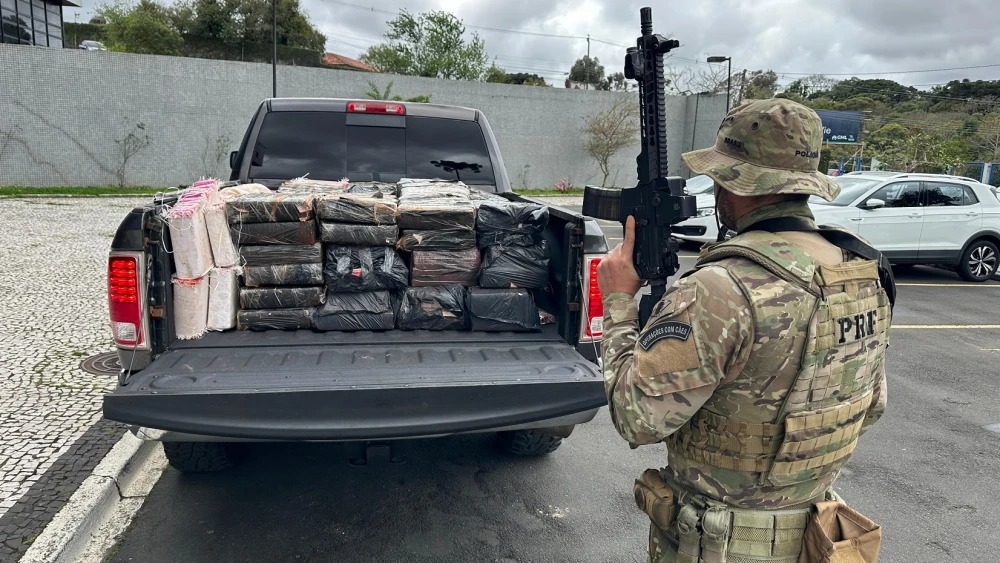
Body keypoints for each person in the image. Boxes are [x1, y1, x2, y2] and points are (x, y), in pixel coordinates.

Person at [597, 98, 891, 563]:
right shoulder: (862, 272)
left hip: (720, 544)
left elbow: (636, 418)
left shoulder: (719, 288)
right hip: (819, 539)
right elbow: (869, 407)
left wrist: (617, 303)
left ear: (736, 182)